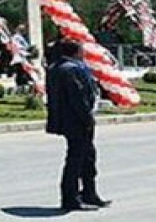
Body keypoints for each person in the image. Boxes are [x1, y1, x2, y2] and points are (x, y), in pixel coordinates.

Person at [45, 39, 109, 212]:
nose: (84, 53)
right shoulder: (72, 69)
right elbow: (77, 97)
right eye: (82, 50)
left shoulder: (56, 67)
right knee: (76, 159)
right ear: (75, 51)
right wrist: (87, 118)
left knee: (87, 157)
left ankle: (89, 193)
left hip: (66, 120)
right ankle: (70, 198)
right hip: (76, 120)